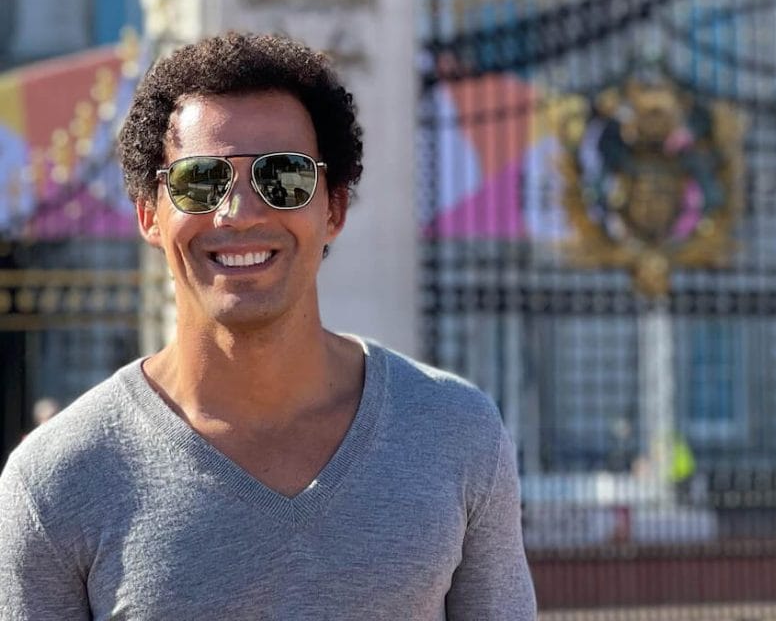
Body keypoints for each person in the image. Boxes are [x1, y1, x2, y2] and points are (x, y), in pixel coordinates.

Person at [0, 32, 536, 620]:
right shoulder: (55, 480)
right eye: (200, 181)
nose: (240, 212)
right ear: (149, 213)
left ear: (333, 208)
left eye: (284, 177)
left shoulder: (456, 434)